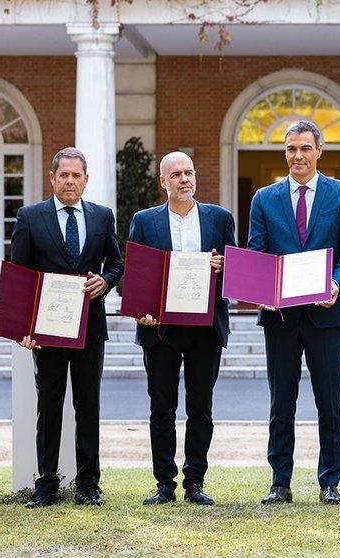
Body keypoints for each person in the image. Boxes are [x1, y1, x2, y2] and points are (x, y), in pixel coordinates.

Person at [247, 120, 340, 505]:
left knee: (329, 401)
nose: (297, 155)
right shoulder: (264, 198)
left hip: (326, 312)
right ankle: (280, 481)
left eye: (304, 148)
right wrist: (261, 289)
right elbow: (258, 252)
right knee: (281, 401)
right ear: (285, 152)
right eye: (291, 149)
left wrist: (335, 283)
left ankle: (330, 482)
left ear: (318, 152)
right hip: (280, 317)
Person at [10, 147, 123, 508]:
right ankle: (46, 486)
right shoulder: (30, 217)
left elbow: (117, 264)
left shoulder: (103, 217)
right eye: (64, 175)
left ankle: (89, 485)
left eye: (77, 175)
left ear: (86, 180)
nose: (70, 181)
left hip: (90, 327)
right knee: (50, 406)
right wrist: (23, 327)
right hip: (48, 329)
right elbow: (20, 276)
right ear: (53, 178)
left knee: (89, 407)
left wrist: (105, 282)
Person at [128, 151, 236, 506]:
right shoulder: (144, 221)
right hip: (161, 329)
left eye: (189, 172)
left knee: (201, 408)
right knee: (161, 407)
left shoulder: (220, 219)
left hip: (205, 328)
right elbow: (137, 272)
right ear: (163, 182)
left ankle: (194, 482)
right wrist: (141, 311)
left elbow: (238, 273)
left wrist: (224, 267)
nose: (184, 179)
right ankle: (164, 484)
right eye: (176, 175)